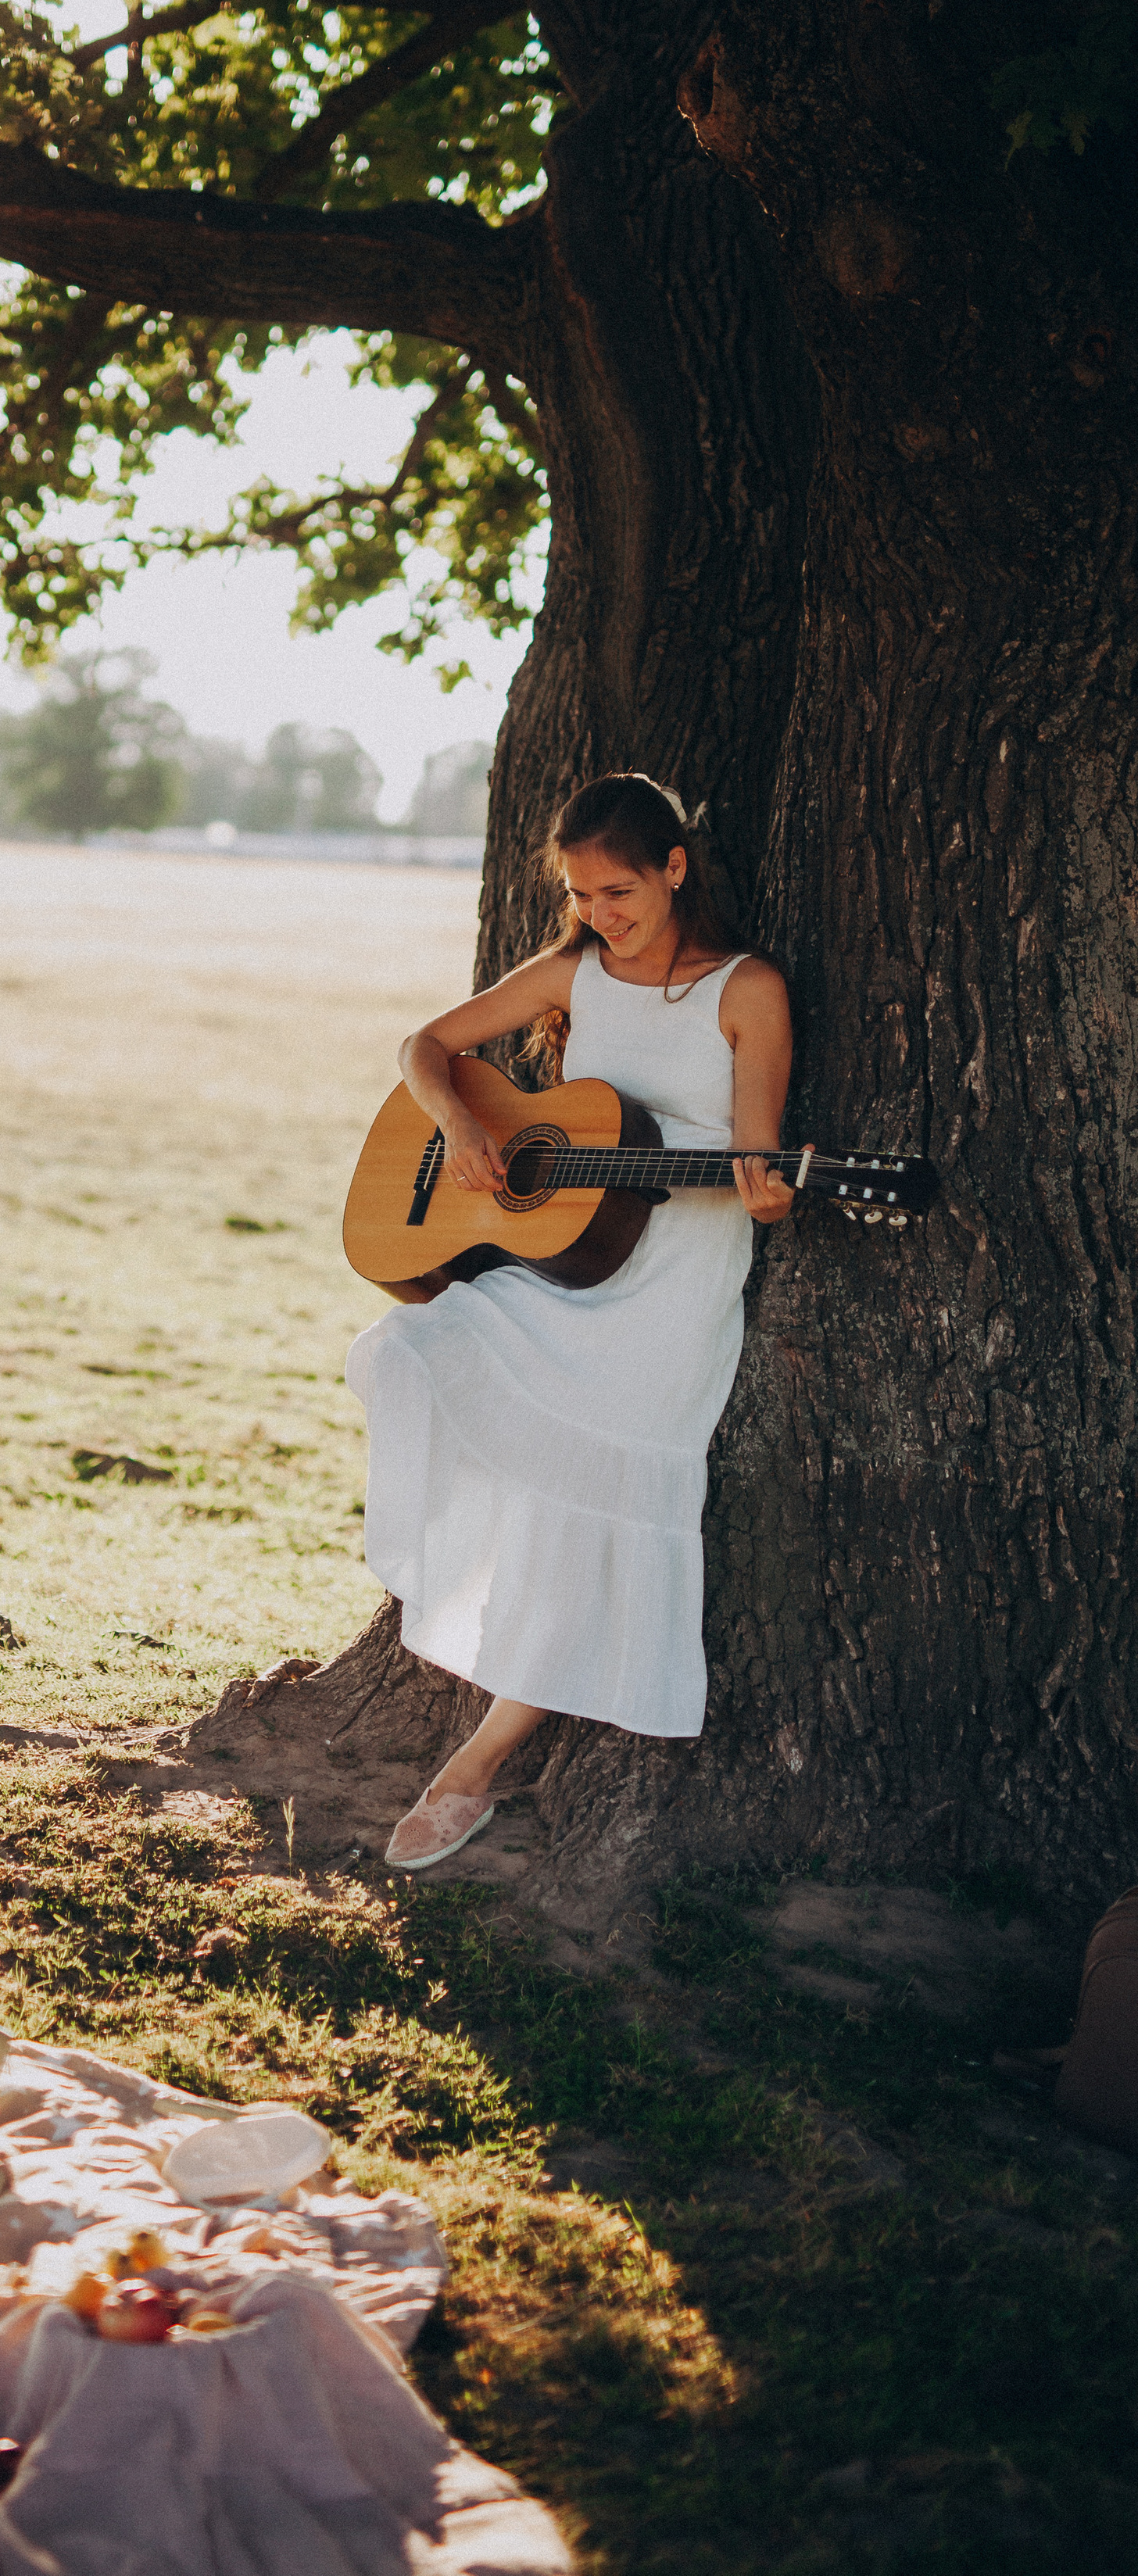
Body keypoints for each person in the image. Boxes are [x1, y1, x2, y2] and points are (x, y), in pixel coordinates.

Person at [345, 771, 795, 1871]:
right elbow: (425, 1047)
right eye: (585, 893)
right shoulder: (573, 972)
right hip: (569, 1259)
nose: (603, 912)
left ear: (675, 867)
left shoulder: (748, 990)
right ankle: (457, 1596)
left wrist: (770, 1189)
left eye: (622, 889)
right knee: (410, 1348)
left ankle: (477, 1768)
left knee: (589, 1510)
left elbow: (755, 1155)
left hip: (678, 1272)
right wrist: (459, 1125)